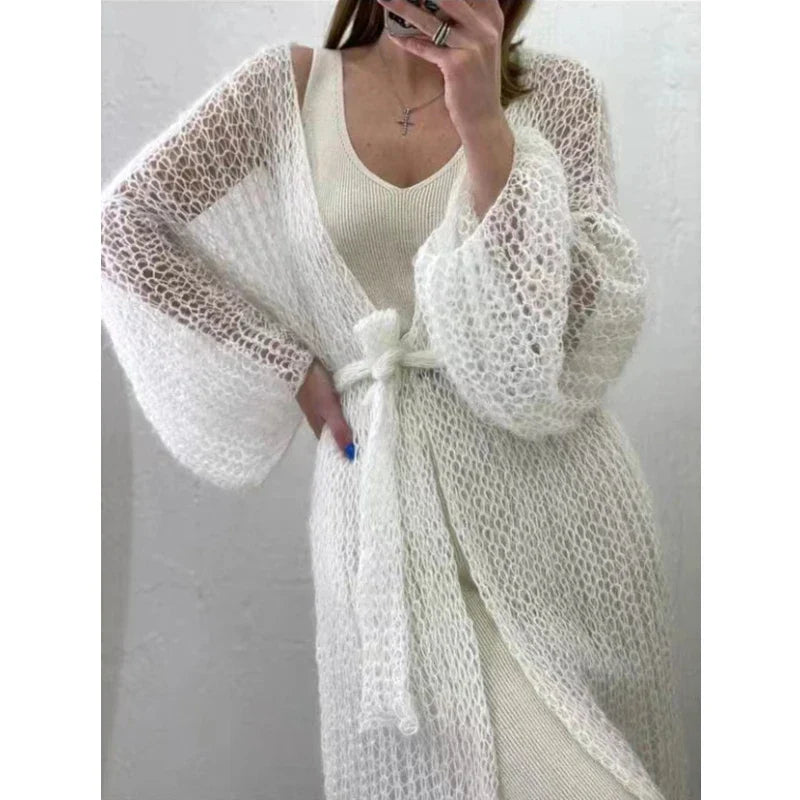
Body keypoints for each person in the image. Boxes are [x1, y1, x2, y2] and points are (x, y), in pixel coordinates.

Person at [100, 1, 689, 799]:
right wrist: (287, 363)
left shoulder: (557, 96)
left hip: (559, 524)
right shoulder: (288, 91)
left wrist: (483, 121)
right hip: (386, 519)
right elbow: (126, 228)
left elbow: (572, 325)